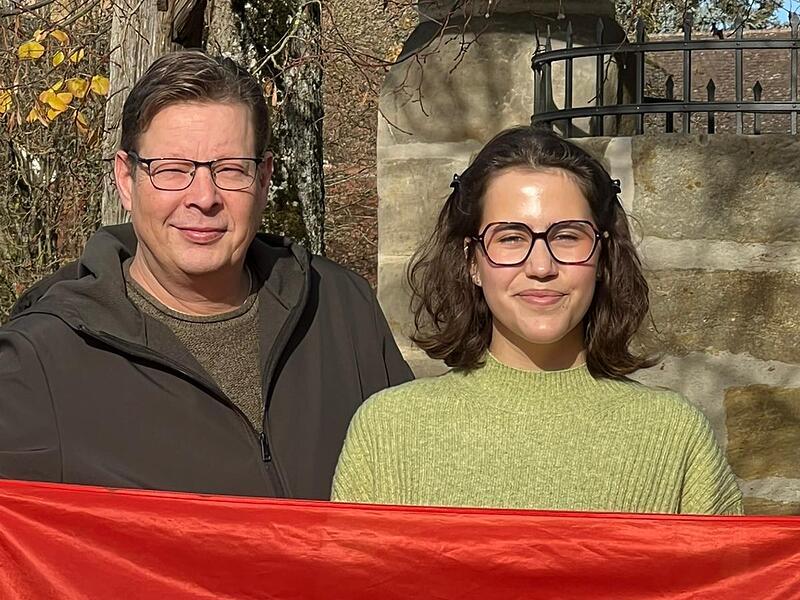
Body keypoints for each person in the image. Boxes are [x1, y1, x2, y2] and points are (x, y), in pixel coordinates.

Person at [0, 50, 412, 500]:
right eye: (172, 170)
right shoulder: (40, 363)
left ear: (264, 177)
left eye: (230, 169)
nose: (204, 197)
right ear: (125, 179)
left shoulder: (341, 310)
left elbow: (414, 495)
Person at [332, 126, 742, 514]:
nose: (541, 266)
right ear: (471, 261)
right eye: (511, 238)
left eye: (567, 236)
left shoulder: (675, 436)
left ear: (602, 258)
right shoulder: (388, 432)